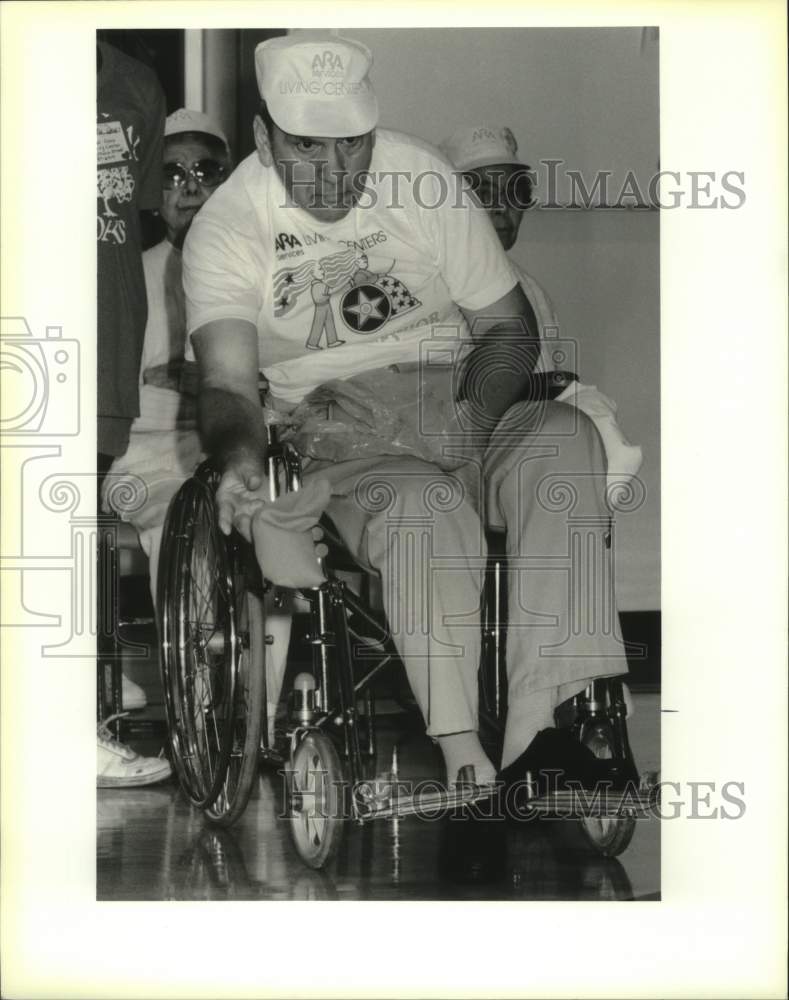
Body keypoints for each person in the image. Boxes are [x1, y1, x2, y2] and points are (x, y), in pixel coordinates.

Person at [181, 32, 633, 792]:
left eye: (352, 145)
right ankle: (463, 754)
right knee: (423, 505)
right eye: (305, 145)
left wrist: (466, 421)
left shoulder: (419, 176)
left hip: (457, 393)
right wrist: (238, 463)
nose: (335, 171)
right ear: (262, 137)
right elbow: (227, 383)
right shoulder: (228, 228)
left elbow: (505, 328)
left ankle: (532, 728)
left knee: (565, 437)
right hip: (340, 422)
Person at [98, 108, 232, 787]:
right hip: (145, 447)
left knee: (263, 515)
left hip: (233, 438)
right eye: (173, 172)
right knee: (184, 517)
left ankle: (252, 722)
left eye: (206, 171)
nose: (189, 186)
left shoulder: (259, 265)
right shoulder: (129, 271)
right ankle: (195, 710)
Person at [439, 124, 643, 504]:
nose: (500, 205)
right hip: (456, 466)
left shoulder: (528, 288)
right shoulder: (433, 279)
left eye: (513, 192)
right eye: (481, 191)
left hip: (530, 463)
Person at [97, 40, 170, 788]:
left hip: (104, 347)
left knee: (67, 530)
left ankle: (78, 715)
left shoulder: (135, 85)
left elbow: (134, 213)